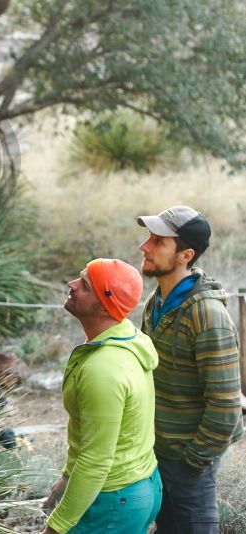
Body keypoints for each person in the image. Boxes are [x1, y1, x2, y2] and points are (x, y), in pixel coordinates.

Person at [136, 206, 242, 533]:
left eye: (158, 241)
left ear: (186, 255)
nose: (144, 246)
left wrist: (193, 462)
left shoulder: (208, 316)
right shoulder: (157, 301)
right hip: (157, 453)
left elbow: (226, 406)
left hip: (187, 461)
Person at [43, 259, 162, 534]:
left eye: (84, 285)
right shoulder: (126, 338)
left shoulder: (103, 370)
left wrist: (55, 527)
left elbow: (96, 461)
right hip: (140, 486)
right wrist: (65, 477)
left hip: (112, 500)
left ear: (105, 305)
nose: (71, 285)